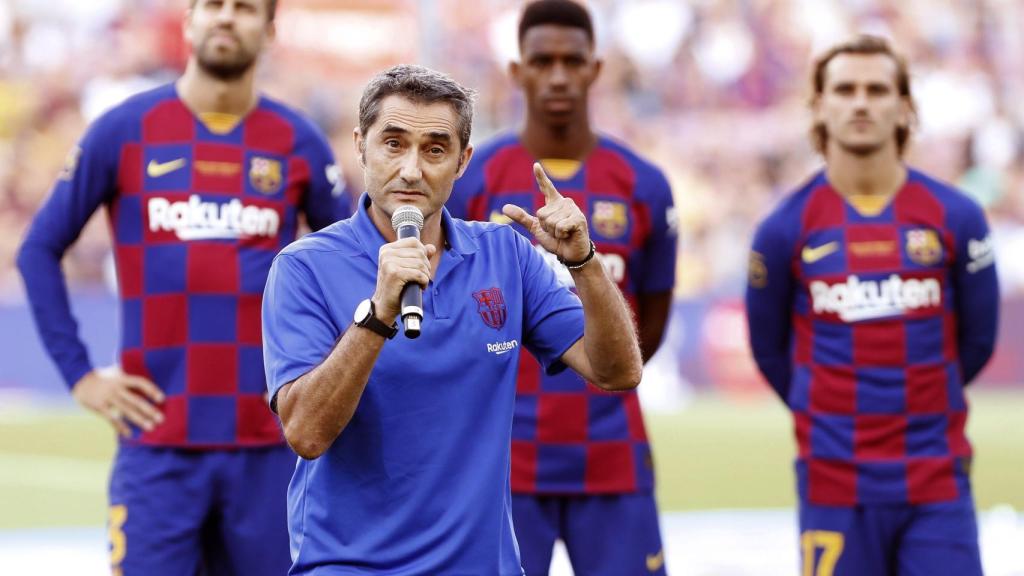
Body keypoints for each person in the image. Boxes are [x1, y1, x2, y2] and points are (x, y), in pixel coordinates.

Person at [261, 63, 643, 575]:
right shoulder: (305, 267)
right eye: (393, 144)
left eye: (435, 149)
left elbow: (618, 371)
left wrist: (584, 261)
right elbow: (306, 434)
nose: (413, 169)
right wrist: (378, 315)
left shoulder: (506, 254)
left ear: (462, 161)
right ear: (360, 146)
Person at [16, 1, 351, 574]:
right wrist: (80, 375)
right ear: (190, 21)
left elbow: (351, 265)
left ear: (269, 30)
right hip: (157, 449)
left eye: (244, 7)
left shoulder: (297, 141)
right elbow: (37, 250)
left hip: (270, 450)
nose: (226, 18)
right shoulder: (124, 131)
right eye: (212, 5)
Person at [746, 35, 998, 576]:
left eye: (877, 89)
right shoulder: (783, 227)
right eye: (845, 89)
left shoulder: (957, 216)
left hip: (936, 479)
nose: (861, 102)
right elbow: (769, 352)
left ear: (904, 106)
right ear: (819, 106)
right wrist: (829, 414)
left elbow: (977, 343)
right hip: (834, 482)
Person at [447, 1, 676, 574]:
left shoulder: (643, 184)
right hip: (504, 459)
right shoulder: (474, 180)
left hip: (612, 454)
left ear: (596, 70)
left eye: (571, 61)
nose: (556, 75)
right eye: (541, 60)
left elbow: (649, 326)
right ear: (515, 70)